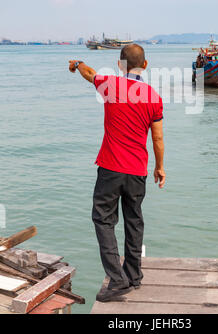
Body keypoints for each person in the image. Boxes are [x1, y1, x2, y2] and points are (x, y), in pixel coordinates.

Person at [69, 44, 165, 302]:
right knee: (134, 221)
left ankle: (118, 280)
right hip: (137, 171)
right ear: (145, 65)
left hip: (111, 168)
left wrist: (77, 64)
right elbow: (157, 138)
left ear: (120, 65)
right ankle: (133, 276)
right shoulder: (153, 97)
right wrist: (159, 166)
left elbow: (89, 73)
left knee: (103, 220)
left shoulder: (109, 85)